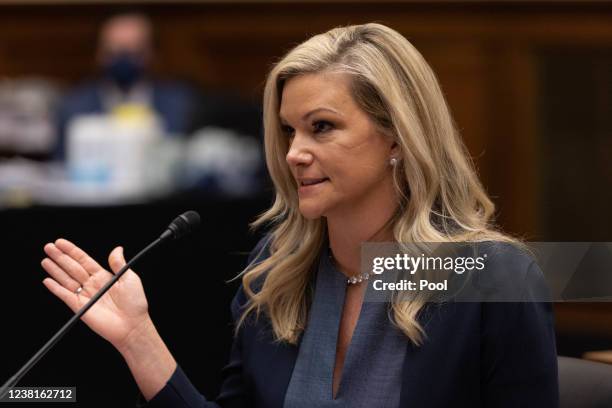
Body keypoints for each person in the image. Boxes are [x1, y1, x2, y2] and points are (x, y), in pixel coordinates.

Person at [40, 23, 559, 407]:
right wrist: (138, 339)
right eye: (289, 130)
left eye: (322, 127)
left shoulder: (491, 276)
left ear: (398, 134)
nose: (294, 153)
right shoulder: (280, 269)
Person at [54, 12, 197, 159]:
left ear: (150, 52)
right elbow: (60, 166)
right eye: (114, 50)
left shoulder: (180, 103)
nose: (124, 58)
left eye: (134, 50)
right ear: (100, 53)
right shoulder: (74, 105)